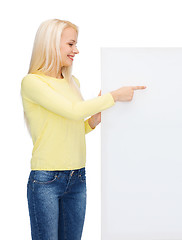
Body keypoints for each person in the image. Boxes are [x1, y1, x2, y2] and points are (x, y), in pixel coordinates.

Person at [20, 18, 146, 240]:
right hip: (46, 181)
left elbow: (74, 125)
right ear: (51, 43)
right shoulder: (32, 83)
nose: (76, 50)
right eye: (71, 44)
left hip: (77, 178)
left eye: (75, 44)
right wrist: (114, 96)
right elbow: (74, 110)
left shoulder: (72, 81)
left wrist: (93, 122)